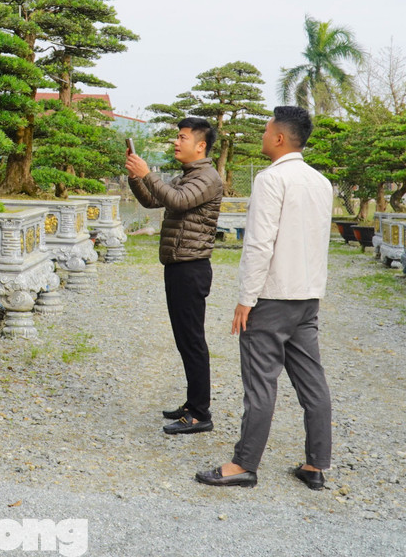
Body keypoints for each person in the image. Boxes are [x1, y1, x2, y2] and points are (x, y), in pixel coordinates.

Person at [195, 105, 334, 490]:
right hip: (307, 296)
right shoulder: (321, 182)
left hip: (272, 297)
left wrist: (246, 298)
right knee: (313, 383)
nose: (263, 135)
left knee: (260, 383)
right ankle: (316, 464)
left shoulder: (271, 179)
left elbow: (259, 243)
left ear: (279, 138)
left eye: (266, 129)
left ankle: (244, 464)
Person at [125, 116, 224, 436]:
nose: (176, 142)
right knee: (185, 339)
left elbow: (177, 201)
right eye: (177, 137)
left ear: (201, 145)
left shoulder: (207, 177)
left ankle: (200, 413)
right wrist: (136, 178)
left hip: (191, 267)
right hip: (179, 265)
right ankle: (193, 403)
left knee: (192, 340)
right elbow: (153, 199)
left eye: (182, 137)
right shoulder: (188, 176)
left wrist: (148, 173)